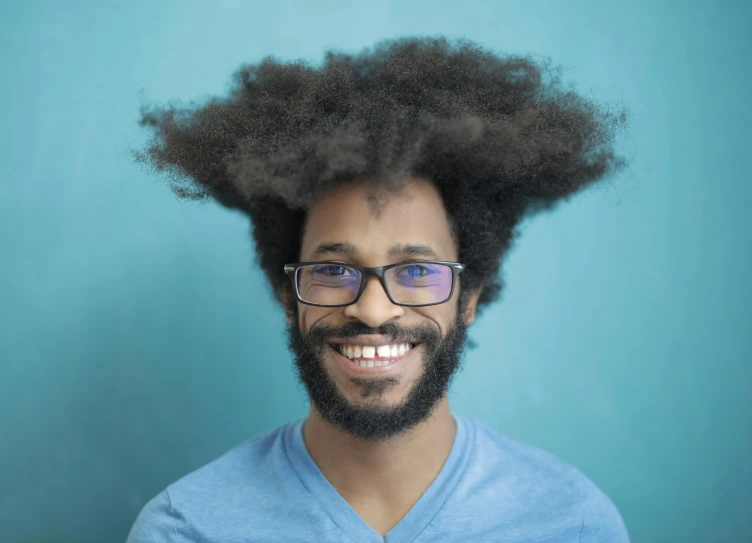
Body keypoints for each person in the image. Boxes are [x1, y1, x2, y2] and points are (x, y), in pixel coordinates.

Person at [127, 36, 630, 542]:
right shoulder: (186, 529)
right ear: (288, 298)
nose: (371, 309)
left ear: (469, 297)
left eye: (415, 271)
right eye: (333, 271)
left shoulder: (571, 523)